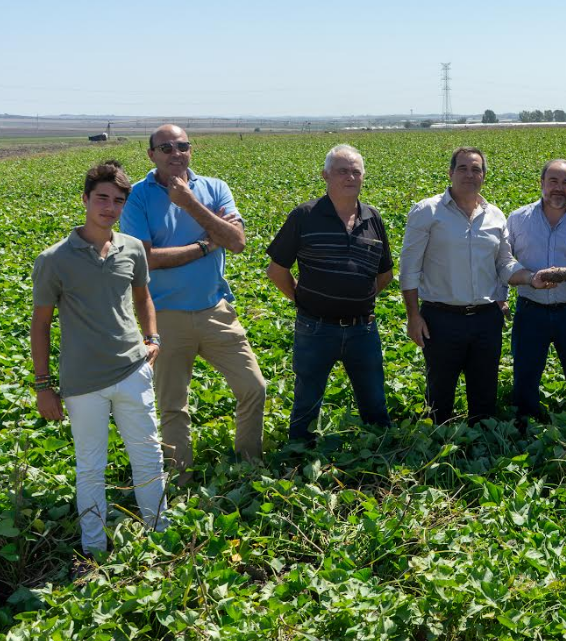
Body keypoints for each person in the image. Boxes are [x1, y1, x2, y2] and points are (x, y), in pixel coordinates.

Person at [31, 161, 167, 556]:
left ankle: (160, 537)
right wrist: (43, 387)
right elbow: (40, 326)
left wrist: (152, 338)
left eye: (118, 200)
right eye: (102, 198)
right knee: (90, 467)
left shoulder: (132, 248)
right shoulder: (54, 259)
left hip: (132, 371)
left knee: (148, 456)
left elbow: (144, 298)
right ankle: (94, 550)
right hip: (82, 382)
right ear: (85, 199)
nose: (109, 207)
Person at [122, 124, 267, 485]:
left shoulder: (214, 188)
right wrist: (204, 245)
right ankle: (180, 480)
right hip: (165, 316)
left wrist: (189, 203)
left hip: (216, 310)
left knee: (253, 387)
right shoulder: (137, 196)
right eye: (166, 147)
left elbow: (235, 241)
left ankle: (247, 468)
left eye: (182, 146)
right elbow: (147, 258)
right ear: (151, 154)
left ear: (191, 150)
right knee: (173, 405)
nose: (176, 153)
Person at [399, 147, 552, 424]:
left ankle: (479, 455)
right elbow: (409, 268)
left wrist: (531, 278)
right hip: (441, 318)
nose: (470, 174)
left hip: (486, 319)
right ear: (450, 173)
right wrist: (413, 316)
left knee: (484, 399)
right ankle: (440, 454)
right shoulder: (427, 211)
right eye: (463, 168)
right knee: (440, 399)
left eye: (476, 169)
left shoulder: (494, 215)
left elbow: (504, 264)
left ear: (483, 176)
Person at [266, 145, 394, 443]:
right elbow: (277, 271)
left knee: (374, 399)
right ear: (325, 175)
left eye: (356, 171)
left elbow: (385, 273)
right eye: (342, 171)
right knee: (306, 401)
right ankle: (298, 458)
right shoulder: (305, 215)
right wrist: (302, 299)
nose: (350, 177)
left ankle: (379, 457)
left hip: (363, 328)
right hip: (315, 327)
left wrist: (359, 296)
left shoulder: (372, 218)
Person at [505, 159, 566, 421]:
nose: (559, 188)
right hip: (530, 310)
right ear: (542, 183)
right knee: (525, 371)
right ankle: (524, 422)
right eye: (553, 181)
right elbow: (505, 262)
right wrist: (527, 279)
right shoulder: (517, 219)